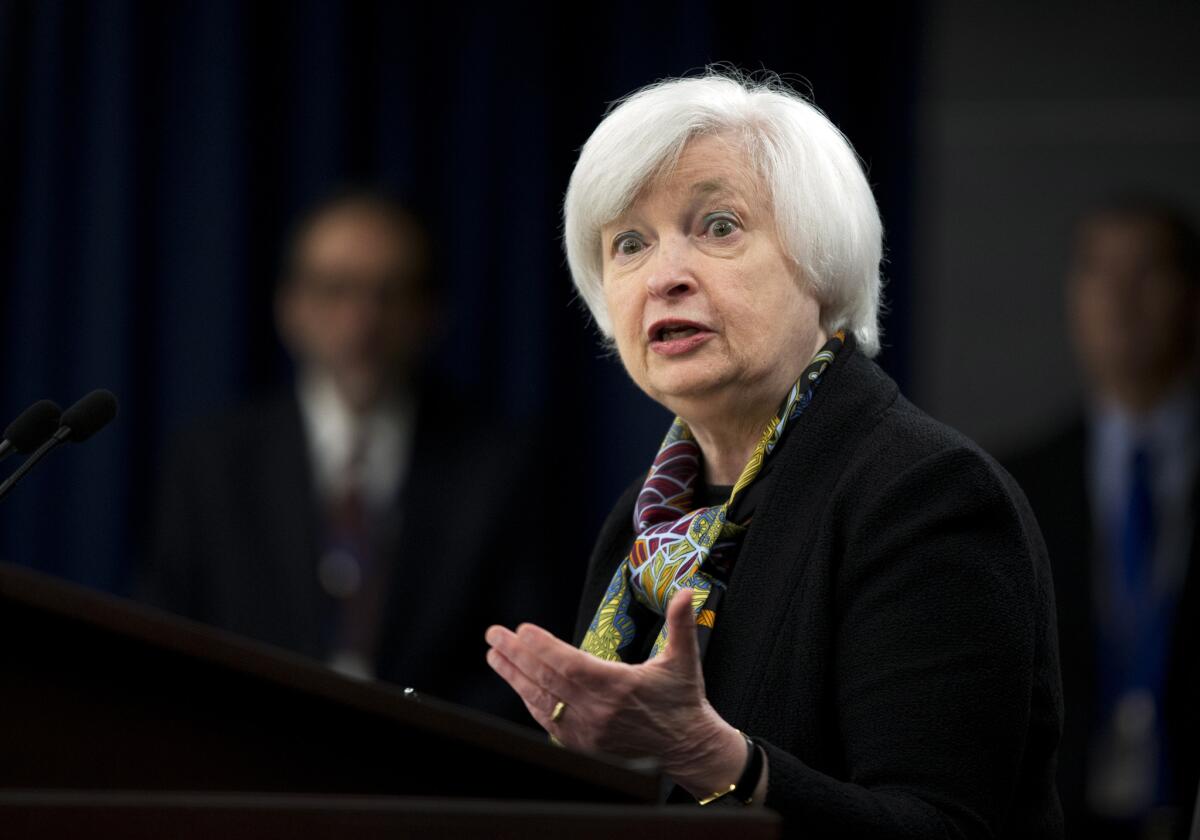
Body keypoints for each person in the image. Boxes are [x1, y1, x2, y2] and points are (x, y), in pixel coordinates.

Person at [483, 71, 1064, 837]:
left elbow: (945, 828)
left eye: (719, 226)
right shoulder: (648, 521)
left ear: (822, 260)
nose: (665, 276)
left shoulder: (927, 494)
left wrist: (720, 761)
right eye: (630, 243)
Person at [145, 189, 577, 720]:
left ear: (430, 313)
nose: (361, 320)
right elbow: (165, 636)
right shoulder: (212, 460)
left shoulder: (501, 464)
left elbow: (529, 661)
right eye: (336, 291)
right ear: (290, 306)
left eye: (388, 293)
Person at [1007, 198, 1200, 840]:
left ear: (1191, 296)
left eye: (1145, 272)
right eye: (1097, 273)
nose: (1120, 300)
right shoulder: (1012, 485)